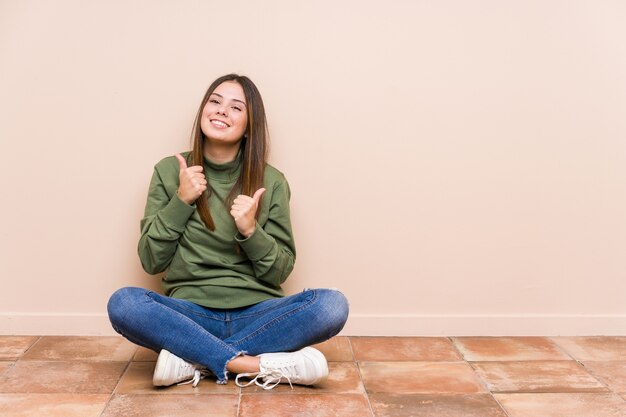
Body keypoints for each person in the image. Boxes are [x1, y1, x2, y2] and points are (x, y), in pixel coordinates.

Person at [107, 74, 349, 389]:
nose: (222, 111)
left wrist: (251, 231)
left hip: (259, 314)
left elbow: (279, 272)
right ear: (203, 111)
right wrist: (181, 201)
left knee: (332, 305)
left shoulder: (271, 181)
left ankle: (195, 357)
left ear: (249, 127)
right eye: (215, 101)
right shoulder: (170, 172)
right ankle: (250, 364)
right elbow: (152, 260)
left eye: (236, 107)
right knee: (123, 303)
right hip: (190, 313)